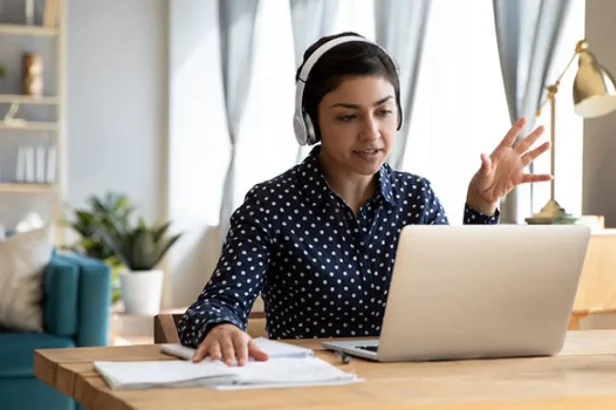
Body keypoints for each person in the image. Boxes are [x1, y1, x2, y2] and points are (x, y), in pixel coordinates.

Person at [177, 32, 551, 366]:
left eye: (384, 111)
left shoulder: (416, 198)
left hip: (409, 388)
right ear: (310, 123)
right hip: (308, 388)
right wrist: (221, 326)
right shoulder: (272, 204)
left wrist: (481, 207)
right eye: (347, 117)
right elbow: (215, 304)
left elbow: (466, 305)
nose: (372, 133)